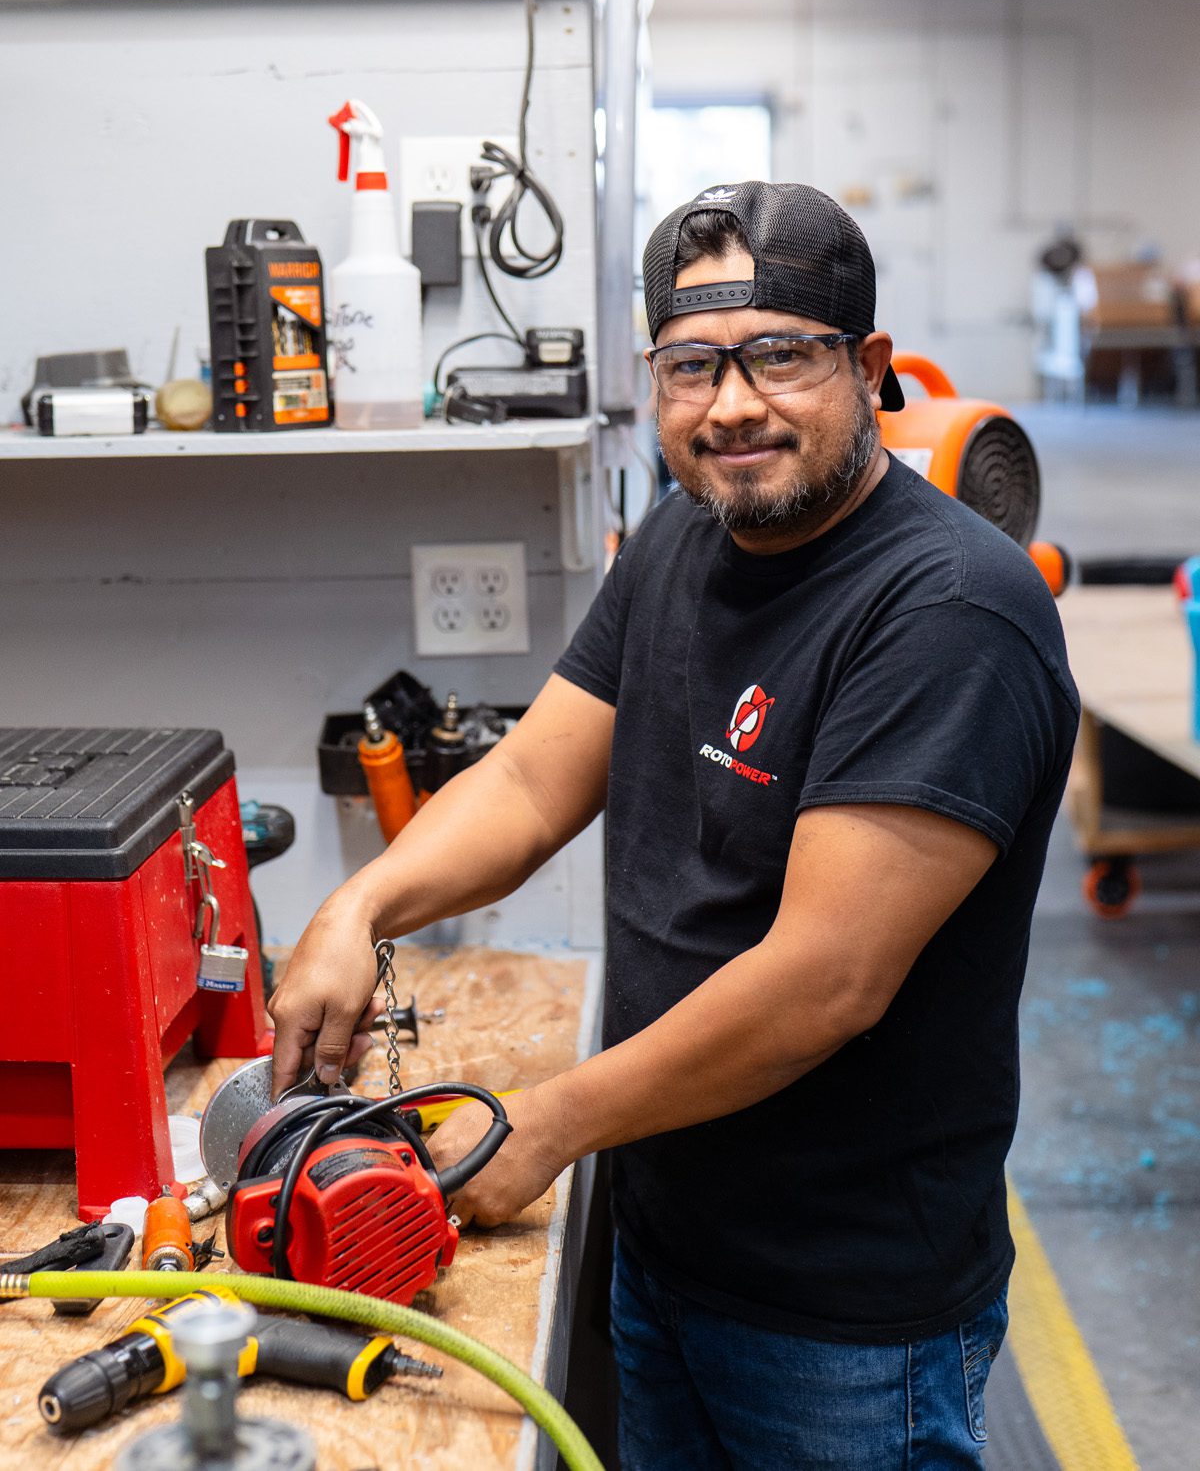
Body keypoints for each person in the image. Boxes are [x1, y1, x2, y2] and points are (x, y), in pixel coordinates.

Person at [269, 181, 1080, 1469]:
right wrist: (355, 908)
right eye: (693, 365)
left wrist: (550, 1124)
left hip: (847, 1314)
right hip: (668, 1243)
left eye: (780, 355)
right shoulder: (678, 543)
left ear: (869, 366)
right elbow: (531, 785)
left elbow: (823, 983)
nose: (732, 405)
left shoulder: (948, 613)